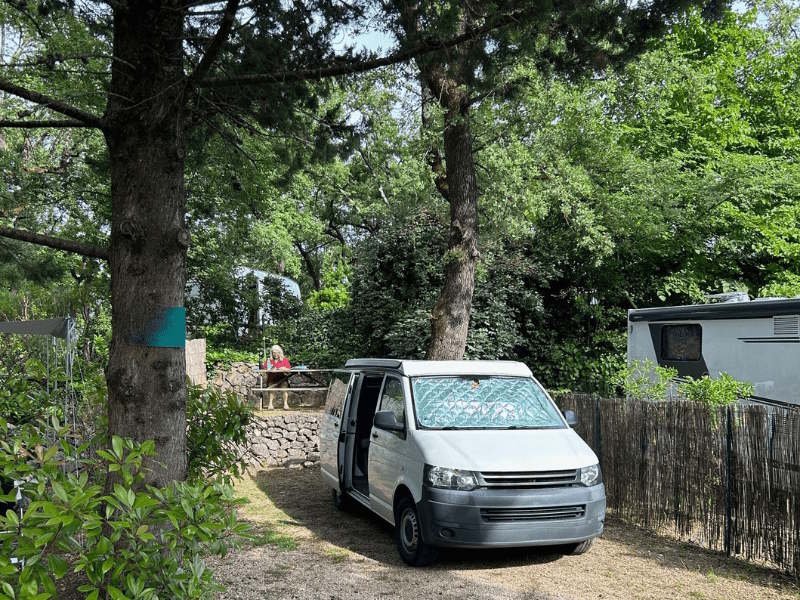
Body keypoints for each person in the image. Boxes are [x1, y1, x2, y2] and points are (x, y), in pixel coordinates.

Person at [264, 344, 292, 410]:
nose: (275, 354)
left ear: (280, 352)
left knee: (284, 387)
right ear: (272, 353)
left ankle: (285, 404)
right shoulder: (269, 360)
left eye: (277, 352)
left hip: (282, 378)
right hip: (272, 379)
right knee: (271, 388)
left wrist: (284, 368)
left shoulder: (284, 360)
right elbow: (265, 370)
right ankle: (270, 404)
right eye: (274, 353)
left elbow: (289, 369)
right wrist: (270, 370)